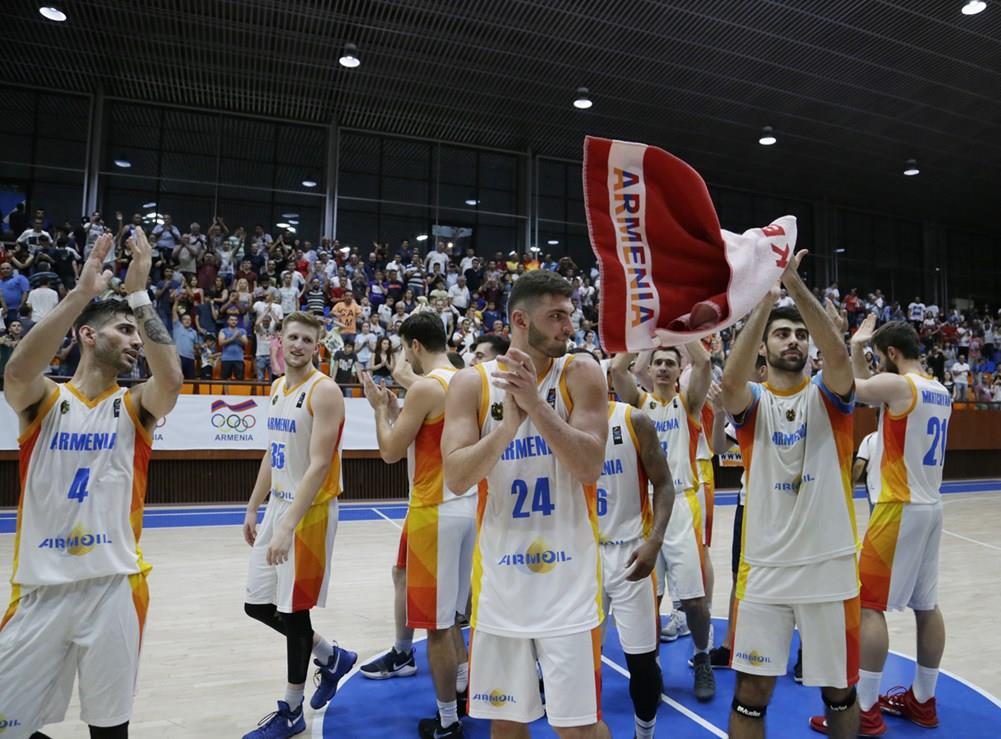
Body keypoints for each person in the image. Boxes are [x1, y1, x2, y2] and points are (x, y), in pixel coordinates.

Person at [0, 229, 183, 738]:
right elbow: (16, 371)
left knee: (108, 730)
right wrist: (80, 294)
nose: (135, 342)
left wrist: (139, 295)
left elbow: (171, 381)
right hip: (41, 588)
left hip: (113, 588)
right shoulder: (45, 401)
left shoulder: (134, 407)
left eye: (136, 333)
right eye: (124, 330)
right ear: (87, 335)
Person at [441, 269, 610, 738]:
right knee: (507, 723)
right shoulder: (472, 384)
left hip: (570, 584)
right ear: (520, 320)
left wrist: (536, 405)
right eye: (556, 316)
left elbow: (590, 466)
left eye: (569, 315)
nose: (568, 326)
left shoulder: (581, 373)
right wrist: (507, 429)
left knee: (579, 729)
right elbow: (456, 477)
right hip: (501, 585)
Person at [720, 250, 860, 739]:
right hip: (765, 569)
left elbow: (839, 358)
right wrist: (765, 302)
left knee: (840, 691)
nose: (794, 340)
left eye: (801, 333)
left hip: (829, 567)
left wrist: (794, 284)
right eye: (782, 333)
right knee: (751, 693)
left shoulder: (830, 395)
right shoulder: (754, 403)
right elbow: (731, 381)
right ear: (763, 347)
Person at [814, 316, 951, 735]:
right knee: (927, 606)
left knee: (869, 605)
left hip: (898, 507)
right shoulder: (940, 389)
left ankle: (866, 710)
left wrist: (847, 348)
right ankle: (923, 701)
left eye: (878, 357)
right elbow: (872, 387)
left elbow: (850, 388)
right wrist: (859, 349)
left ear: (892, 354)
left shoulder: (900, 386)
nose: (876, 364)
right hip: (931, 507)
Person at [359, 312, 478, 738]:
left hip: (435, 508)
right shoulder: (466, 379)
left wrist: (380, 411)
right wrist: (400, 405)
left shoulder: (426, 387)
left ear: (413, 345)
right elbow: (431, 425)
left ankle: (447, 721)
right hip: (468, 505)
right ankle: (462, 692)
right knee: (454, 616)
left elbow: (391, 451)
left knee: (437, 626)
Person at [241, 311, 357, 738]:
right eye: (292, 337)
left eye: (307, 340)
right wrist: (253, 507)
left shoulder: (324, 392)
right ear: (279, 340)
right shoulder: (276, 388)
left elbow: (320, 463)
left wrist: (288, 524)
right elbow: (272, 453)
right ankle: (330, 656)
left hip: (310, 513)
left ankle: (292, 710)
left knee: (294, 611)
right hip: (279, 507)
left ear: (316, 346)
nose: (298, 345)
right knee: (257, 604)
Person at [610, 341, 716, 701]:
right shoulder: (638, 403)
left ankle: (702, 656)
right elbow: (617, 369)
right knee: (648, 601)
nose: (664, 368)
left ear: (678, 368)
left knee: (695, 601)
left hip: (683, 502)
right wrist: (640, 335)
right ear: (649, 368)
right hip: (645, 505)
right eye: (659, 363)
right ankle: (650, 666)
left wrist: (676, 326)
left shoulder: (689, 403)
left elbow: (704, 362)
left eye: (671, 363)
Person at [588, 351, 675, 739]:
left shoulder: (633, 419)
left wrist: (655, 541)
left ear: (604, 379)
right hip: (581, 557)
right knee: (579, 661)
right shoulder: (557, 424)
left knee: (642, 661)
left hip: (630, 554)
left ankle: (645, 734)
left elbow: (665, 484)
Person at [219, 314, 249, 380]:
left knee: (240, 380)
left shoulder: (242, 330)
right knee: (224, 380)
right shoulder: (223, 330)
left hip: (239, 358)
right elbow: (221, 343)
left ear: (237, 321)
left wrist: (239, 337)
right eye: (231, 320)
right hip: (226, 359)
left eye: (235, 320)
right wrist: (233, 338)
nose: (233, 321)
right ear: (228, 321)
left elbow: (246, 343)